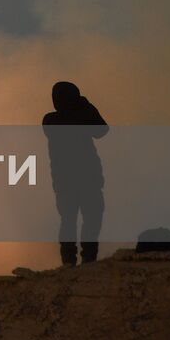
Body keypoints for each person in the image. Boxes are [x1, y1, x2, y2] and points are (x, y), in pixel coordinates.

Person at [42, 81, 108, 266]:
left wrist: (83, 105)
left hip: (81, 179)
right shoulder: (51, 120)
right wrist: (85, 104)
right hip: (71, 180)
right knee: (71, 220)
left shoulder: (57, 119)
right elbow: (100, 129)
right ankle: (72, 261)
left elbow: (102, 130)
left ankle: (85, 259)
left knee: (89, 218)